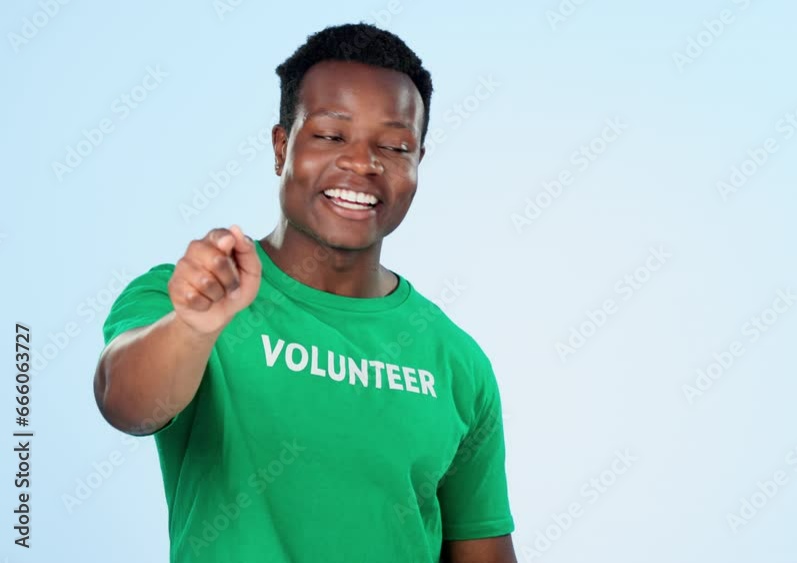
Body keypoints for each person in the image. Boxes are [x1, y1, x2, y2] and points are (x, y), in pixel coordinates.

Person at [92, 23, 517, 563]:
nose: (363, 164)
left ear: (417, 164)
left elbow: (483, 549)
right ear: (281, 146)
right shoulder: (189, 297)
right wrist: (193, 327)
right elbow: (126, 404)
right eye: (331, 136)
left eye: (394, 145)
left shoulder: (458, 361)